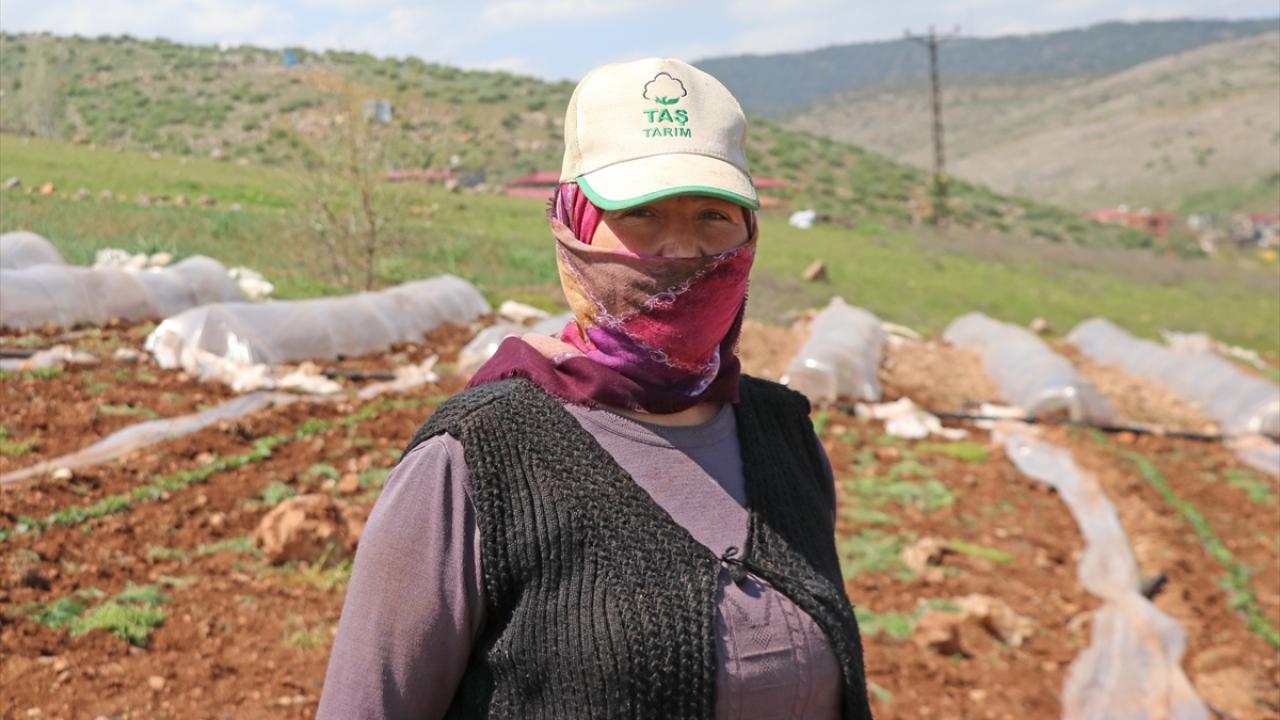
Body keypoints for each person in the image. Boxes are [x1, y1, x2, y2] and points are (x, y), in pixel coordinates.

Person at [317, 57, 872, 720]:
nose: (681, 248)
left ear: (750, 230)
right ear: (572, 224)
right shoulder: (474, 460)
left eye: (712, 215)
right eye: (640, 213)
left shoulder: (783, 434)